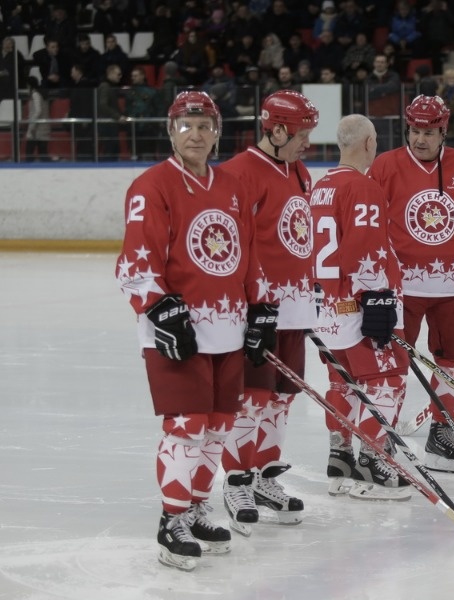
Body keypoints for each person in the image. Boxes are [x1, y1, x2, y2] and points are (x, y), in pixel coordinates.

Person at [115, 91, 276, 571]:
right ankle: (171, 520)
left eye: (205, 126)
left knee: (219, 425)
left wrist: (261, 307)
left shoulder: (231, 186)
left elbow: (248, 253)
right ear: (171, 132)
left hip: (228, 327)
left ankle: (197, 508)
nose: (196, 135)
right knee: (187, 426)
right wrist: (158, 309)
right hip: (177, 328)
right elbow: (135, 261)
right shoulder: (152, 186)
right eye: (186, 126)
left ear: (217, 133)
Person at [367, 95, 454, 473]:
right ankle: (381, 439)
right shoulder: (385, 166)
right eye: (414, 130)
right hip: (401, 288)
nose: (420, 139)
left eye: (429, 132)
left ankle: (443, 433)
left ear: (443, 131)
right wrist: (369, 277)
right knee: (390, 364)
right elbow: (368, 225)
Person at [217, 90, 318, 533]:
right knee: (252, 399)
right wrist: (250, 305)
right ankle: (236, 479)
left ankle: (263, 475)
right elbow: (233, 246)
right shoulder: (238, 173)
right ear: (276, 130)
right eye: (301, 134)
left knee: (281, 398)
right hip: (257, 311)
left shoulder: (299, 171)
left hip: (295, 308)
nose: (307, 143)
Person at [311, 114, 411, 501]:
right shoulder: (362, 187)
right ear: (369, 143)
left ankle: (341, 458)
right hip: (359, 305)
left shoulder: (321, 186)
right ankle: (373, 459)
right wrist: (377, 298)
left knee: (343, 382)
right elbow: (363, 249)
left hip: (328, 306)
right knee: (388, 379)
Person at [24, 76, 51, 161]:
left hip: (36, 129)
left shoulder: (35, 94)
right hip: (43, 128)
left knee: (29, 153)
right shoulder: (42, 94)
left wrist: (31, 127)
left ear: (29, 85)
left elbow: (37, 111)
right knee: (43, 153)